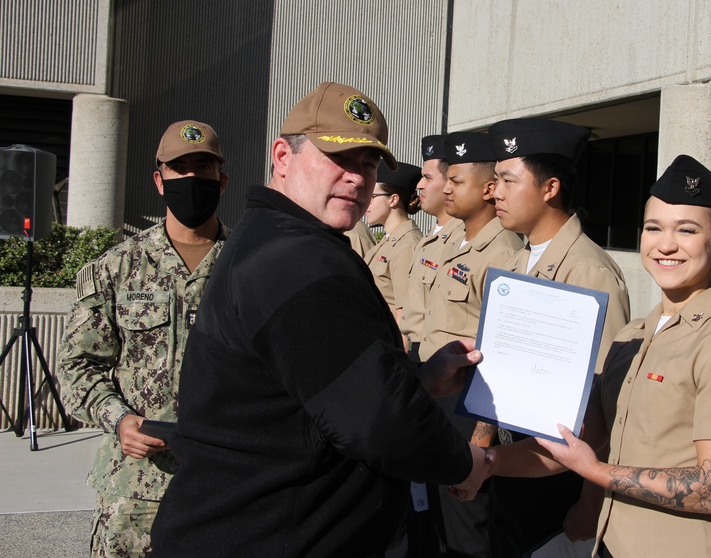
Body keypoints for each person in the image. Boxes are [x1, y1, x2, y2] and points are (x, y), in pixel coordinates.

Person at [149, 82, 493, 557]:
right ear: (282, 157)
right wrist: (466, 462)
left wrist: (418, 379)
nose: (357, 177)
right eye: (340, 158)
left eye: (369, 164)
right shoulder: (296, 259)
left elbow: (317, 383)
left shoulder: (281, 239)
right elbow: (378, 423)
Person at [480, 155, 711, 558]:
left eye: (686, 230)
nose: (666, 244)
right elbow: (580, 444)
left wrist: (596, 472)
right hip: (611, 543)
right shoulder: (632, 335)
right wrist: (488, 460)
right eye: (654, 228)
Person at [57, 120, 229, 558]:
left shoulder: (252, 266)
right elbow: (78, 367)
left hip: (226, 484)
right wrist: (118, 419)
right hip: (133, 490)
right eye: (179, 168)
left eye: (203, 169)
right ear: (159, 180)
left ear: (222, 180)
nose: (191, 179)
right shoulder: (115, 268)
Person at [483, 117, 632, 556]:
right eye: (494, 181)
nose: (496, 192)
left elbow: (604, 399)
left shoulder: (586, 270)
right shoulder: (517, 262)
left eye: (509, 180)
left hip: (559, 475)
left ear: (549, 188)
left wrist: (591, 501)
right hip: (515, 460)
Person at [415, 130, 524, 558]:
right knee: (438, 513)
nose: (446, 187)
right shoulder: (453, 242)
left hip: (468, 408)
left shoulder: (503, 250)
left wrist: (482, 435)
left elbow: (500, 350)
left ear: (488, 189)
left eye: (457, 180)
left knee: (467, 521)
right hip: (436, 395)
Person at [400, 134, 465, 360]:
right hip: (416, 351)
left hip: (439, 357)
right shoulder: (430, 237)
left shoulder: (462, 240)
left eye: (427, 177)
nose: (419, 185)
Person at [364, 161, 423, 323]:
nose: (366, 202)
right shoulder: (387, 241)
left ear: (393, 200)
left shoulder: (407, 245)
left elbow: (404, 312)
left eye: (373, 196)